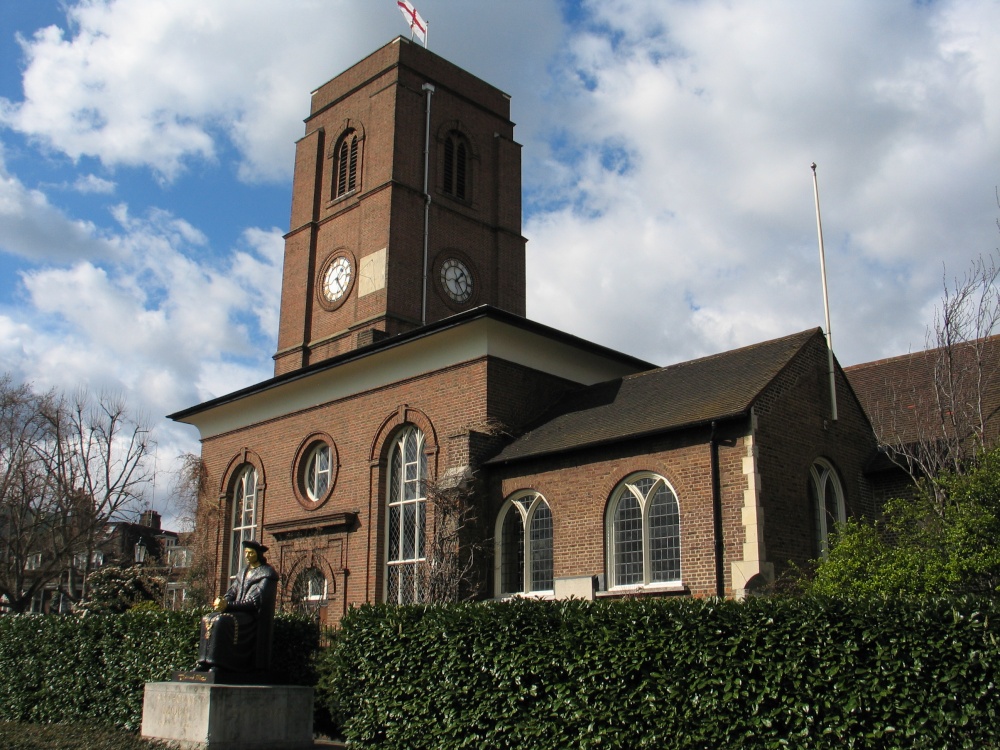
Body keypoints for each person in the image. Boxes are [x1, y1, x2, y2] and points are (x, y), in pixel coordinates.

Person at [196, 540, 278, 673]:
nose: (247, 556)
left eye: (250, 553)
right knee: (208, 618)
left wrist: (228, 606)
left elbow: (255, 601)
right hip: (236, 611)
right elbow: (232, 591)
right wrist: (223, 601)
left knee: (222, 621)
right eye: (246, 553)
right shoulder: (242, 572)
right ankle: (203, 661)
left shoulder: (267, 574)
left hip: (251, 616)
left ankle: (220, 663)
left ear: (258, 554)